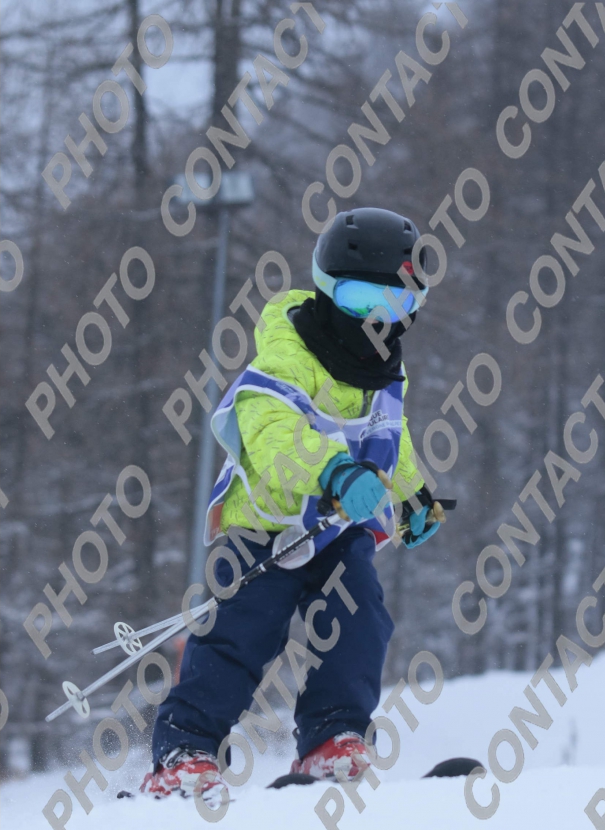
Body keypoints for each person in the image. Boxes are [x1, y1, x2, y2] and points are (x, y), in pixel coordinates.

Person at [142, 207, 446, 799]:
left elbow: (391, 433)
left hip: (335, 527)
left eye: (396, 303)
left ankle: (332, 738)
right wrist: (334, 469)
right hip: (266, 521)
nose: (377, 319)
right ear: (327, 289)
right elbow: (270, 429)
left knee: (361, 616)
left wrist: (413, 495)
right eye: (360, 299)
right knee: (240, 633)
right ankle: (185, 749)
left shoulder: (386, 369)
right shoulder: (289, 351)